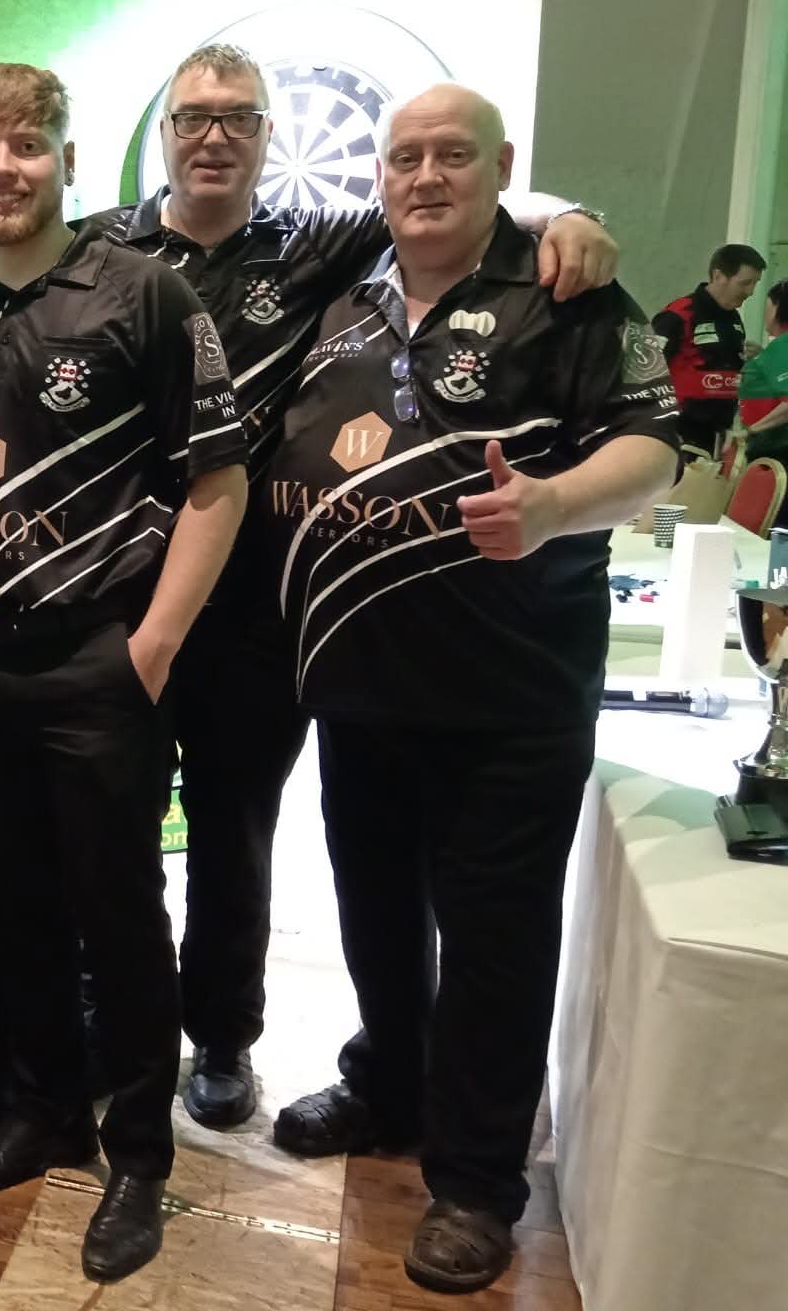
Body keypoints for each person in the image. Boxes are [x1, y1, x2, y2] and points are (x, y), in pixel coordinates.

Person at [84, 44, 620, 1131]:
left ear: (267, 134)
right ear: (163, 133)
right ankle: (114, 1019)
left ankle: (221, 1036)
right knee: (109, 830)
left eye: (239, 117)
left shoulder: (321, 244)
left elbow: (459, 202)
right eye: (193, 117)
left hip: (261, 617)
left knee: (232, 835)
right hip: (117, 598)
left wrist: (572, 216)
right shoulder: (101, 249)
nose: (214, 136)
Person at [264, 84, 677, 1294]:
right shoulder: (341, 298)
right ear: (378, 177)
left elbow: (652, 450)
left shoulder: (567, 291)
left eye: (452, 155)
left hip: (509, 694)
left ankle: (476, 1180)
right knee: (374, 914)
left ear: (501, 167)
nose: (425, 176)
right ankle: (389, 1083)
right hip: (358, 687)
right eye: (404, 158)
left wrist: (550, 505)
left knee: (494, 940)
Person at [0, 65, 246, 1287]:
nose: (1, 170)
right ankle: (39, 1114)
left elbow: (216, 482)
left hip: (96, 661)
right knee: (6, 910)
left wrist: (148, 648)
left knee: (119, 917)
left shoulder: (143, 292)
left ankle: (140, 1154)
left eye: (25, 147)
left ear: (65, 157)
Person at [655, 243, 767, 456]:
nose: (751, 292)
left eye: (755, 283)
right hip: (679, 433)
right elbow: (646, 373)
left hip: (719, 435)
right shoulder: (679, 313)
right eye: (744, 283)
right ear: (718, 276)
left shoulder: (733, 318)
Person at [737, 280, 788, 461]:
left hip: (775, 447)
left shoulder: (783, 346)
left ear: (777, 308)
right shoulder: (778, 348)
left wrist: (751, 431)